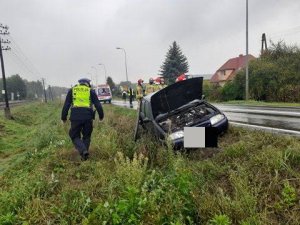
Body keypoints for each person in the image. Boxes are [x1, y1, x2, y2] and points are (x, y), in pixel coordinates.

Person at [61, 78, 104, 160]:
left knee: (74, 135)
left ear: (79, 83)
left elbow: (66, 104)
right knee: (87, 136)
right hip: (88, 117)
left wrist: (63, 117)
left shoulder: (72, 90)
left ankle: (83, 151)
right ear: (88, 83)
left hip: (75, 117)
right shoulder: (90, 91)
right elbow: (98, 104)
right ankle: (84, 155)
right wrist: (101, 116)